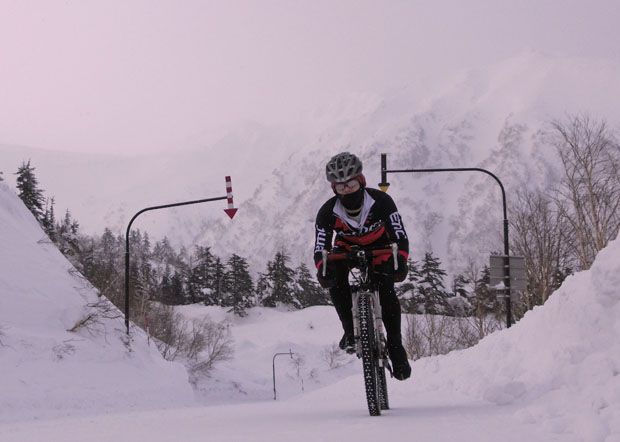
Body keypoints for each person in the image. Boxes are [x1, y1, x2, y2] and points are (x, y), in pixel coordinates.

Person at [313, 152, 412, 381]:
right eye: (341, 187)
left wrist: (402, 260)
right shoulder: (327, 211)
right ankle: (350, 330)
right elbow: (321, 246)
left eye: (351, 184)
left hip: (381, 247)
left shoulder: (382, 202)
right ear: (334, 189)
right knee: (334, 276)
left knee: (386, 288)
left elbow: (399, 235)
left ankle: (396, 346)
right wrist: (322, 268)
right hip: (346, 249)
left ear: (362, 181)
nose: (347, 190)